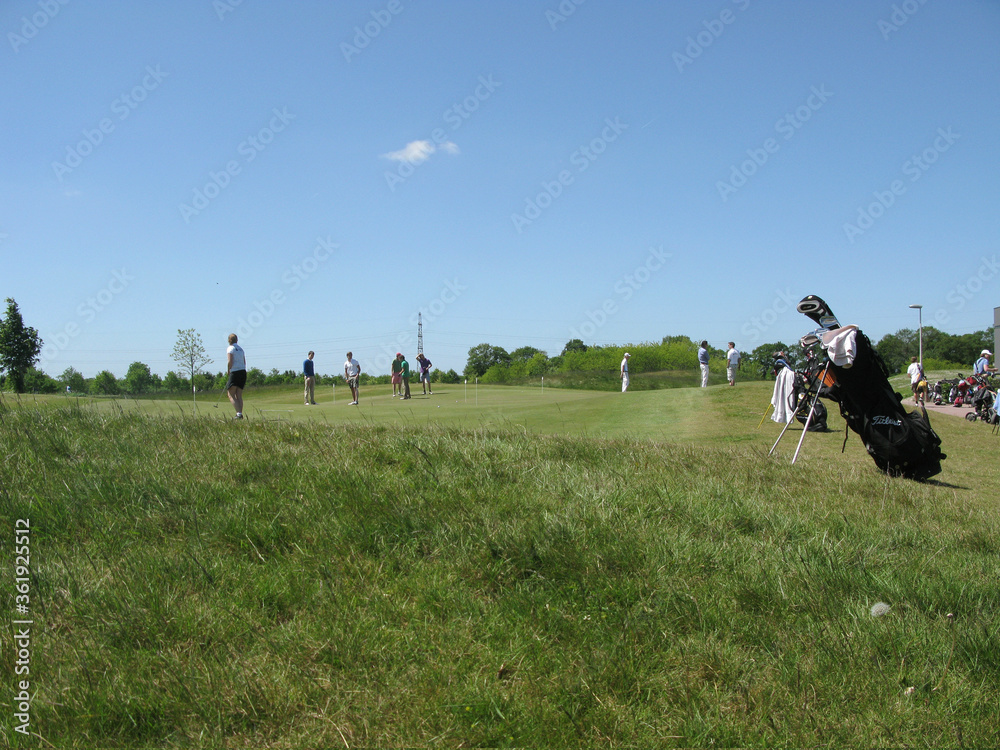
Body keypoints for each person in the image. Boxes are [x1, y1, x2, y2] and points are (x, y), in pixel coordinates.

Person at [226, 333, 247, 419]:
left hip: (235, 372)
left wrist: (228, 371)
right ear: (236, 340)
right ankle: (240, 414)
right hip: (243, 371)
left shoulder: (230, 348)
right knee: (239, 394)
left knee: (230, 394)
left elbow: (230, 361)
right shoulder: (241, 349)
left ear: (229, 340)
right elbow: (244, 362)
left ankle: (238, 414)